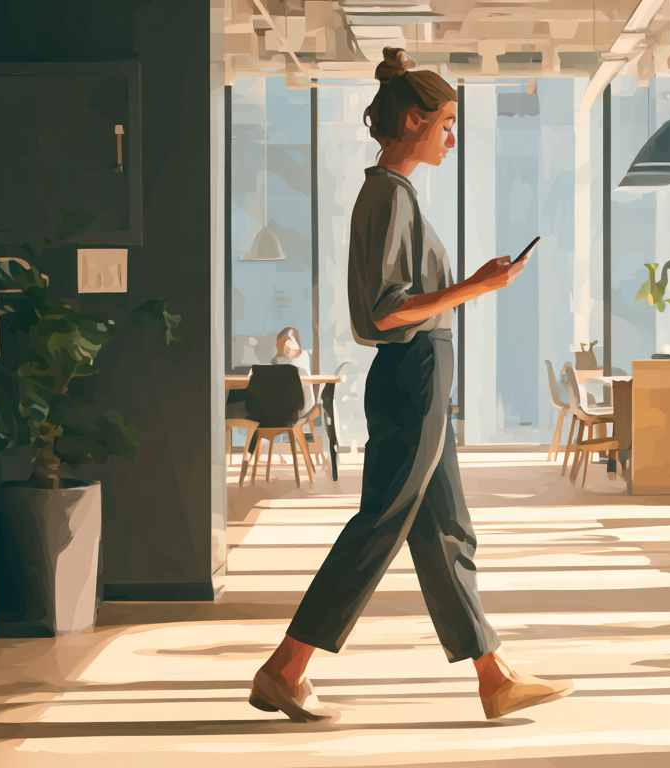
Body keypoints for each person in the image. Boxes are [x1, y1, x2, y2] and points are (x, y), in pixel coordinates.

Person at [248, 47, 573, 723]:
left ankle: (494, 676)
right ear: (414, 120)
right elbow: (383, 312)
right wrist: (474, 287)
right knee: (381, 524)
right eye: (446, 122)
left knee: (444, 530)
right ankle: (285, 668)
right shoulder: (390, 197)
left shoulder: (393, 195)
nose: (452, 136)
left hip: (423, 375)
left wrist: (465, 289)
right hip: (413, 374)